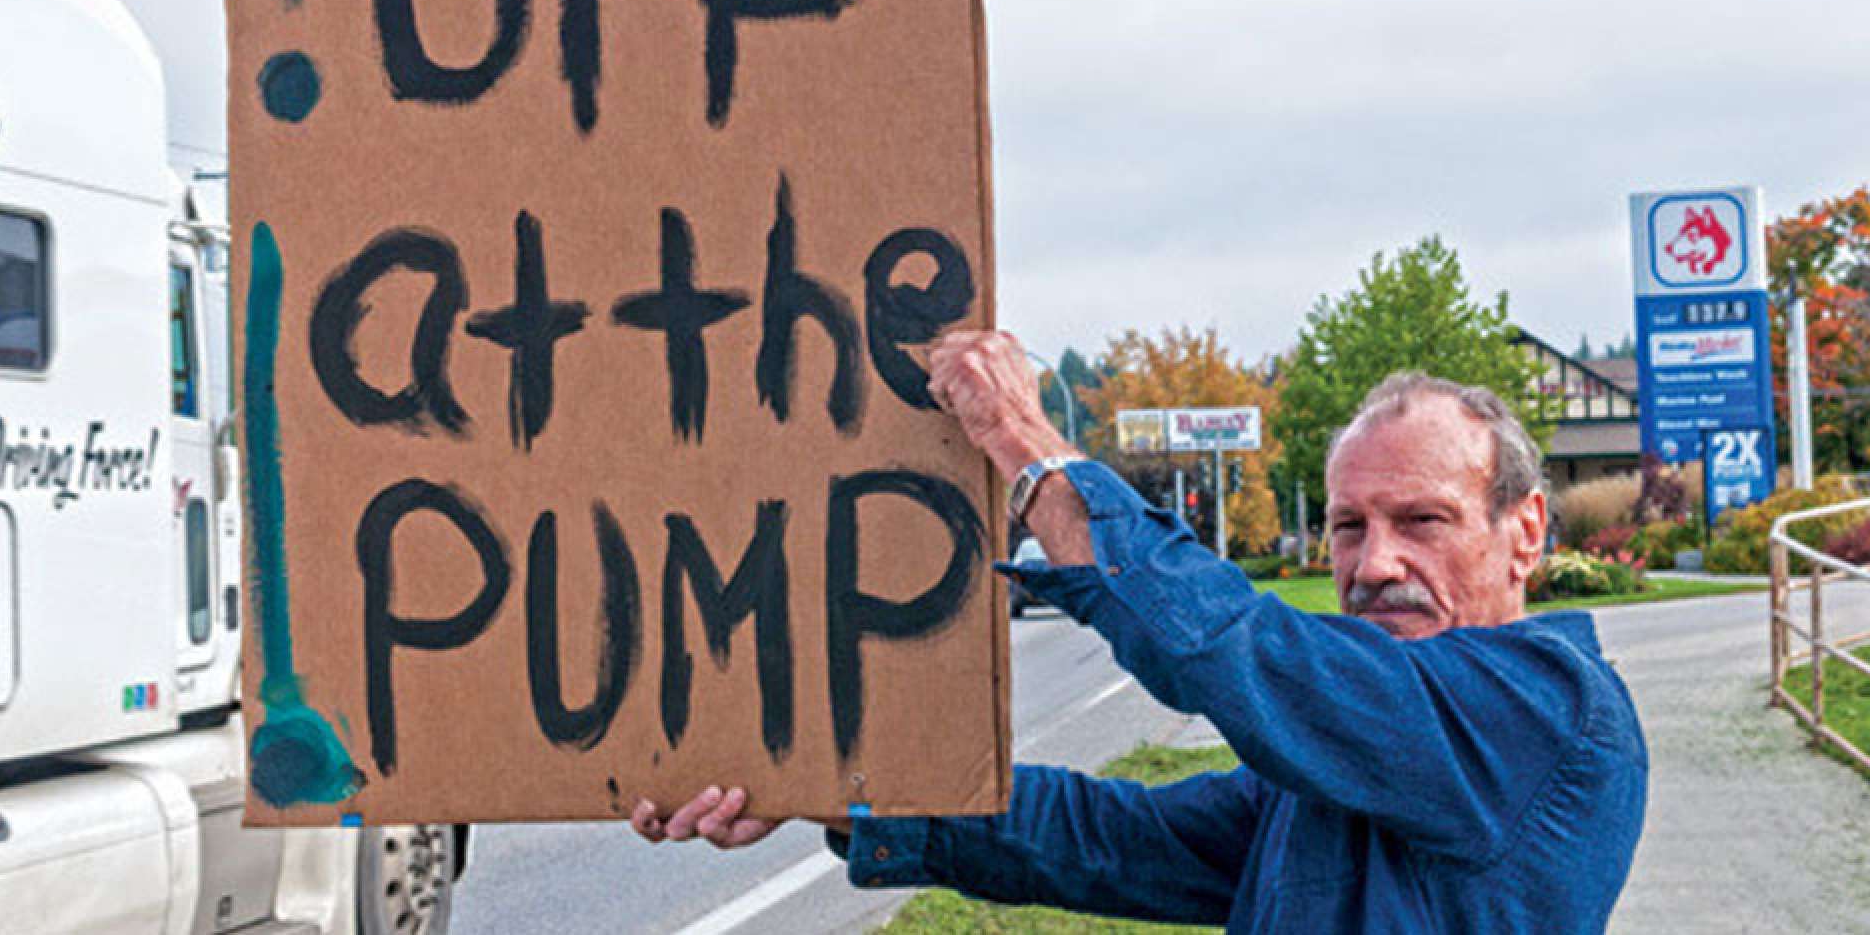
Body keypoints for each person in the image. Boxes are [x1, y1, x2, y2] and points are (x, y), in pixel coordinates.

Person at [633, 330, 1648, 932]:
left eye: (1421, 521)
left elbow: (1236, 648)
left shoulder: (1542, 708)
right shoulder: (1355, 765)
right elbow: (1115, 841)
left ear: (1525, 532)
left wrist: (1021, 444)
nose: (1373, 563)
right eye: (1348, 526)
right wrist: (833, 789)